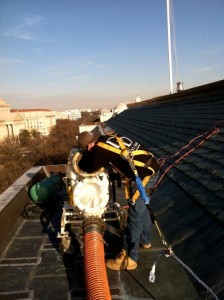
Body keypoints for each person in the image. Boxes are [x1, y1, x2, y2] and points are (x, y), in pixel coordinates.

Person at [77, 131, 160, 270]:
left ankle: (129, 258)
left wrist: (87, 154)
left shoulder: (99, 150)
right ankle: (145, 241)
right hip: (151, 169)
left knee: (134, 216)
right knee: (141, 210)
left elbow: (86, 167)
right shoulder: (109, 138)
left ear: (90, 145)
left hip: (142, 178)